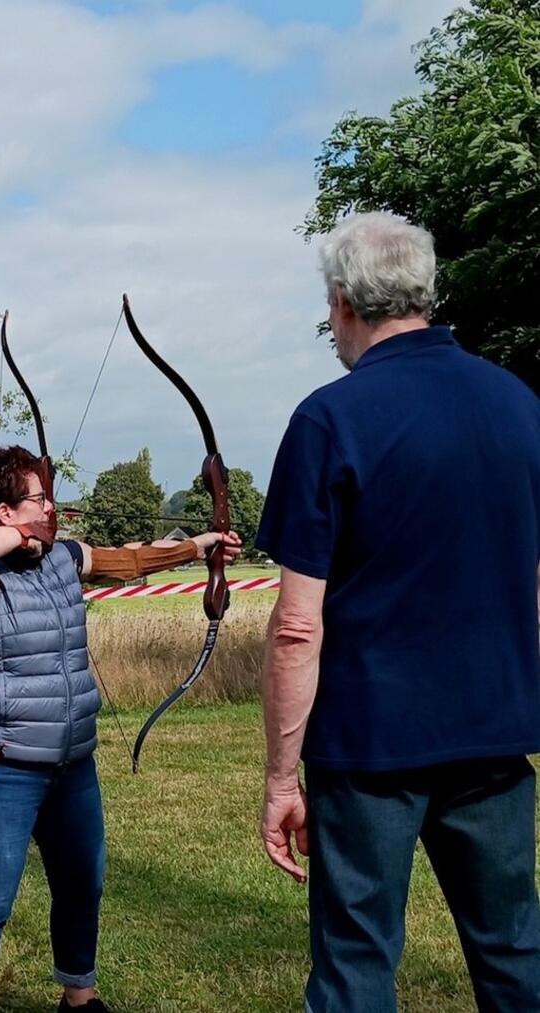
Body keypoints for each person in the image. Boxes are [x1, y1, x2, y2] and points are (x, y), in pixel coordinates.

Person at [257, 212, 540, 1012]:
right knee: (514, 951)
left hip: (369, 748)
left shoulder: (330, 418)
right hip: (494, 737)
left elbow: (297, 625)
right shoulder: (519, 405)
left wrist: (281, 776)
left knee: (355, 965)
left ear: (344, 302)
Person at [0, 445, 239, 1013]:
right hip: (0, 763)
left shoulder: (60, 559)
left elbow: (128, 561)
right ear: (4, 513)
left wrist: (199, 547)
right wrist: (25, 536)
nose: (51, 506)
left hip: (72, 759)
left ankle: (80, 996)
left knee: (83, 884)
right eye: (37, 497)